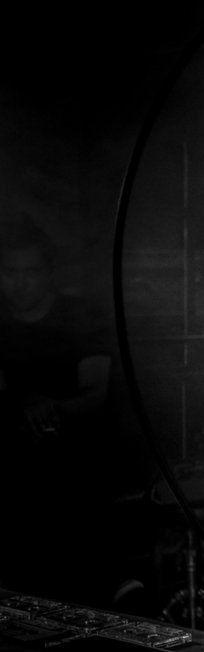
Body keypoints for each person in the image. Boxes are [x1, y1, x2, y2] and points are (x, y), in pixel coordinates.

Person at [0, 215, 126, 604]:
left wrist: (51, 410)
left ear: (49, 273)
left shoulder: (78, 316)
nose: (20, 283)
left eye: (30, 272)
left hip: (75, 463)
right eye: (10, 272)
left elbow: (95, 395)